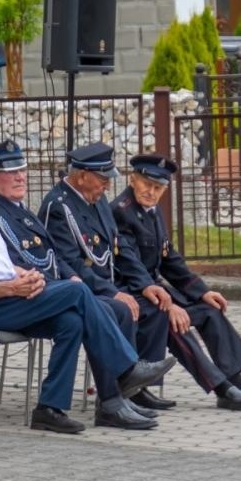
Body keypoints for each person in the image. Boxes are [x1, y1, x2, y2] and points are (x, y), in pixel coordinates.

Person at [0, 143, 174, 433]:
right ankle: (126, 370)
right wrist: (11, 288)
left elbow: (0, 263)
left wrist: (27, 276)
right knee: (77, 292)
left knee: (70, 322)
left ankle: (49, 409)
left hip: (5, 295)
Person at [0, 141, 153, 429]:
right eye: (10, 173)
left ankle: (54, 408)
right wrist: (65, 281)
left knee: (78, 320)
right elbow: (12, 262)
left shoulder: (20, 211)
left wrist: (66, 274)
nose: (20, 177)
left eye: (22, 171)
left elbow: (52, 254)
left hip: (44, 290)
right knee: (90, 299)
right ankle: (124, 375)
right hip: (19, 295)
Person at [111, 153, 241, 411]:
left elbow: (169, 258)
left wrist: (202, 292)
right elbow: (130, 266)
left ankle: (236, 381)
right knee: (175, 321)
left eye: (158, 187)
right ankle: (221, 387)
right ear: (133, 180)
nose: (151, 192)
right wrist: (169, 304)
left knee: (210, 309)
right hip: (132, 292)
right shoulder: (121, 212)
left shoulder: (152, 212)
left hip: (152, 291)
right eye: (147, 184)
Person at [41, 143, 173, 420]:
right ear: (81, 176)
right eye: (103, 179)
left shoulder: (95, 198)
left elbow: (118, 248)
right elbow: (70, 263)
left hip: (105, 285)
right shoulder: (59, 206)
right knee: (119, 310)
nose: (107, 186)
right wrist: (112, 292)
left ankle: (129, 390)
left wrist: (146, 283)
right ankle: (112, 399)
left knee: (154, 306)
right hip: (80, 288)